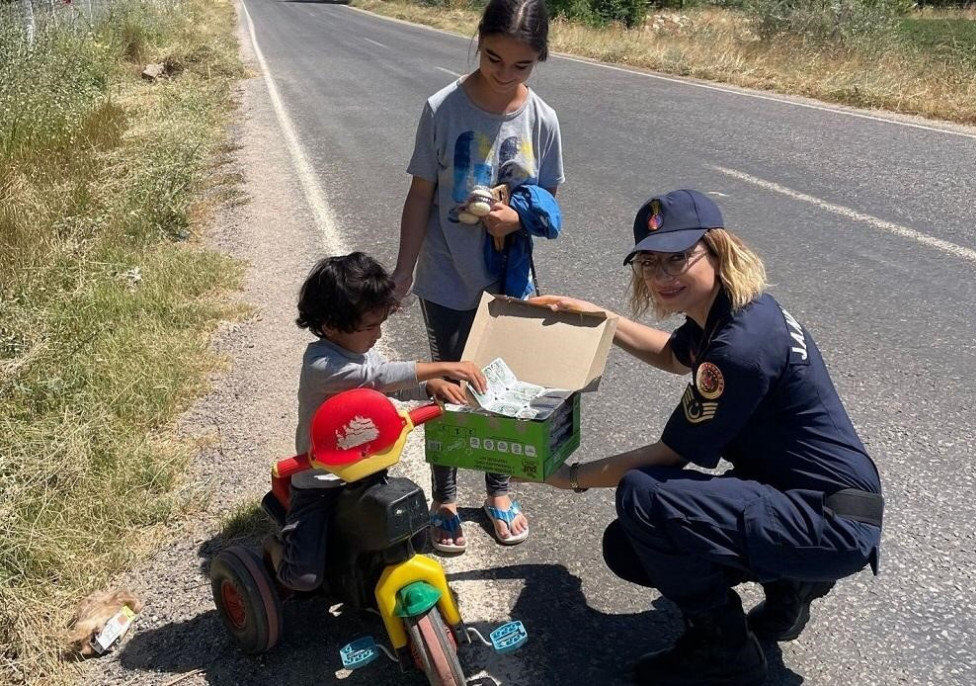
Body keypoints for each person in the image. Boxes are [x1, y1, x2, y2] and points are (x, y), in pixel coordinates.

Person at [529, 189, 883, 685]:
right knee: (629, 543)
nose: (663, 276)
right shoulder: (738, 309)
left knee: (644, 498)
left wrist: (569, 476)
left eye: (679, 257)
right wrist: (600, 318)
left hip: (825, 518)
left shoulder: (738, 346)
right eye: (650, 263)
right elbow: (674, 356)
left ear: (718, 251)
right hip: (825, 501)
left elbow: (669, 456)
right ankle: (793, 583)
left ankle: (724, 648)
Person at [392, 0, 564, 553]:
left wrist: (516, 216)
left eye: (521, 66)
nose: (505, 74)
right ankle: (443, 496)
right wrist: (402, 272)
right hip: (447, 280)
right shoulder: (443, 108)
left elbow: (547, 200)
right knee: (451, 389)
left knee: (504, 390)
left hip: (509, 288)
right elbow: (421, 195)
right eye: (493, 58)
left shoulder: (542, 119)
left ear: (538, 60)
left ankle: (498, 490)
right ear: (478, 41)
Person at [264, 252, 487, 592]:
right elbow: (377, 378)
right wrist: (441, 367)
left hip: (366, 469)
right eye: (369, 326)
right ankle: (276, 550)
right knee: (303, 579)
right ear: (330, 326)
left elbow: (390, 383)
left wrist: (429, 387)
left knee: (394, 531)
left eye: (380, 323)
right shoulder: (321, 365)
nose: (378, 334)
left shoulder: (363, 350)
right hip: (321, 482)